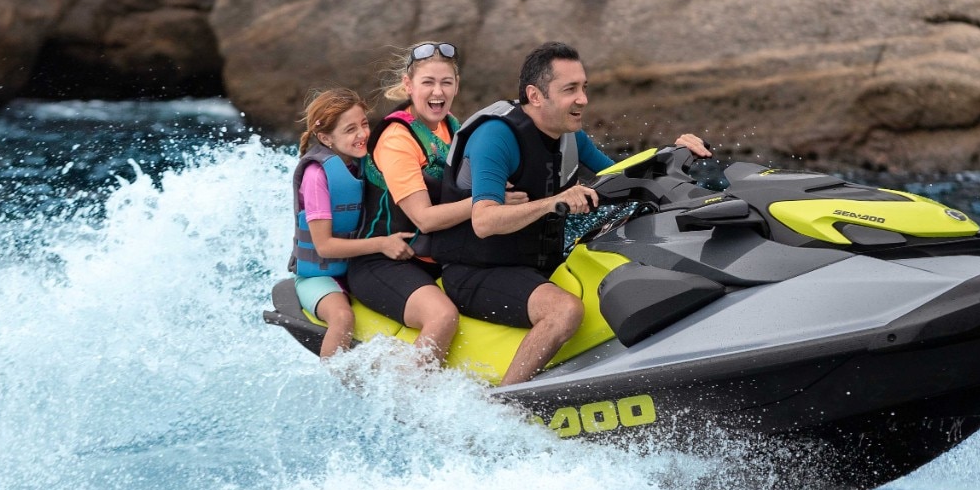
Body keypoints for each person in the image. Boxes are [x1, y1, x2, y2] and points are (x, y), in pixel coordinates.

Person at [431, 41, 711, 385]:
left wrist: (675, 152)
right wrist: (554, 201)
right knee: (565, 310)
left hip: (535, 267)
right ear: (535, 96)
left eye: (584, 88)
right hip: (476, 274)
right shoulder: (496, 136)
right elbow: (484, 221)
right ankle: (505, 405)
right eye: (570, 90)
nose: (583, 99)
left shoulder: (568, 137)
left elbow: (624, 179)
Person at [345, 41, 526, 364]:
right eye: (428, 82)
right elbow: (425, 219)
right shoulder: (398, 139)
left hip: (438, 258)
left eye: (446, 82)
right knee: (442, 317)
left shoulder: (451, 126)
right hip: (384, 261)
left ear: (457, 85)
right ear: (408, 85)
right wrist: (490, 200)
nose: (437, 92)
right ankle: (411, 405)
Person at [289, 88, 415, 359]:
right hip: (319, 276)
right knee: (343, 317)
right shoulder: (316, 176)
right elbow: (324, 246)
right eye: (350, 130)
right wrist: (382, 244)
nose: (362, 135)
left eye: (364, 124)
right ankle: (332, 390)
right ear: (326, 138)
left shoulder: (364, 163)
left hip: (358, 270)